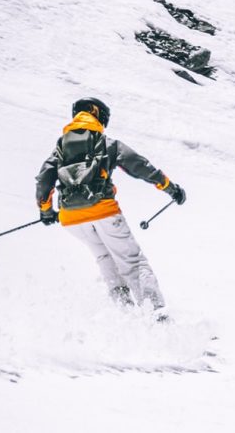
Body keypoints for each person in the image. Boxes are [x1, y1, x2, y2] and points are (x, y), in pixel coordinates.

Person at [35, 97, 186, 313]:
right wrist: (170, 188)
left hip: (71, 220)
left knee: (105, 260)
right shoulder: (105, 143)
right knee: (133, 262)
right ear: (98, 115)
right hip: (104, 212)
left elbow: (44, 180)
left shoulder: (60, 147)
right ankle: (157, 318)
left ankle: (124, 317)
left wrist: (46, 211)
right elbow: (139, 166)